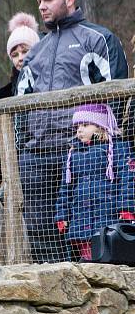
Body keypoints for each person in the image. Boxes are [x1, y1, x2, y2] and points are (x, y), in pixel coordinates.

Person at [16, 0, 129, 262]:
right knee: (40, 229)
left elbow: (115, 96)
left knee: (86, 228)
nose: (41, 6)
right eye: (39, 1)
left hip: (81, 152)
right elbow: (19, 107)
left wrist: (100, 142)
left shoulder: (98, 39)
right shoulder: (35, 52)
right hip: (37, 154)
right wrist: (23, 148)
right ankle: (48, 294)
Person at [55, 104, 134, 260]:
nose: (79, 130)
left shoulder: (118, 148)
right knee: (87, 259)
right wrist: (62, 215)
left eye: (85, 125)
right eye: (77, 126)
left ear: (100, 127)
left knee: (109, 254)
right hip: (80, 215)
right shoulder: (73, 154)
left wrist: (127, 208)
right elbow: (66, 188)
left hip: (108, 214)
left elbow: (128, 179)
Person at [0, 12, 39, 99]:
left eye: (25, 51)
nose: (20, 58)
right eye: (15, 55)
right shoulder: (4, 95)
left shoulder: (47, 82)